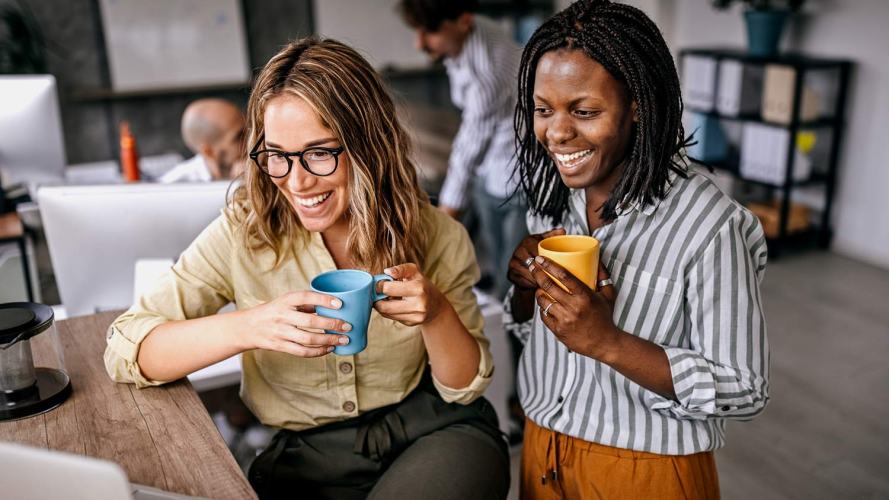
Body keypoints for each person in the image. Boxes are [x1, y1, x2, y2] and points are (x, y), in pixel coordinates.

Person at [104, 37, 509, 500]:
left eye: (320, 152)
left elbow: (463, 388)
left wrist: (436, 314)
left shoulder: (437, 235)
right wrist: (251, 327)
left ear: (368, 145)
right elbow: (125, 347)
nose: (296, 182)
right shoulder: (244, 234)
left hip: (435, 431)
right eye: (276, 154)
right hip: (305, 459)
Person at [503, 1, 770, 498]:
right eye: (543, 109)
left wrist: (607, 341)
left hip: (646, 465)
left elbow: (744, 387)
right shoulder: (553, 196)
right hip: (543, 448)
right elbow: (528, 328)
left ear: (638, 105)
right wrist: (521, 287)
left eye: (584, 111)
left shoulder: (710, 225)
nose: (557, 133)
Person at [398, 0, 527, 300]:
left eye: (429, 32)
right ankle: (495, 293)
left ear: (464, 20)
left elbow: (469, 150)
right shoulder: (473, 30)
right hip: (489, 168)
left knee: (516, 273)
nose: (419, 44)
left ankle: (513, 334)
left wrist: (444, 218)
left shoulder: (487, 72)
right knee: (496, 260)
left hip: (519, 178)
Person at [160, 98, 246, 183]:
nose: (250, 140)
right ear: (209, 151)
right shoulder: (174, 187)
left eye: (249, 130)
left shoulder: (253, 167)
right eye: (239, 137)